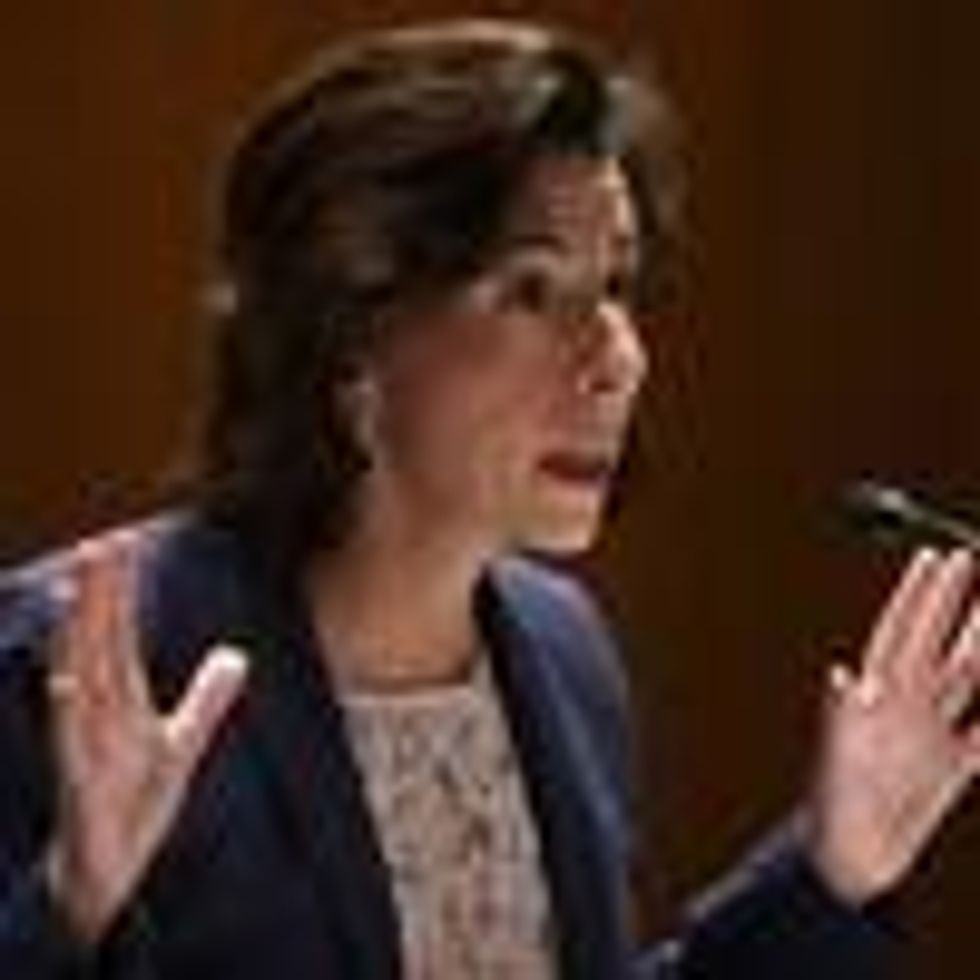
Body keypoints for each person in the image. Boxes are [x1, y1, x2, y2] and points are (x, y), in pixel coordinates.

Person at [1, 18, 978, 979]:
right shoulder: (78, 666)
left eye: (617, 287)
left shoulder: (563, 649)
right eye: (531, 291)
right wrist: (68, 907)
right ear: (349, 330)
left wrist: (835, 868)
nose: (617, 361)